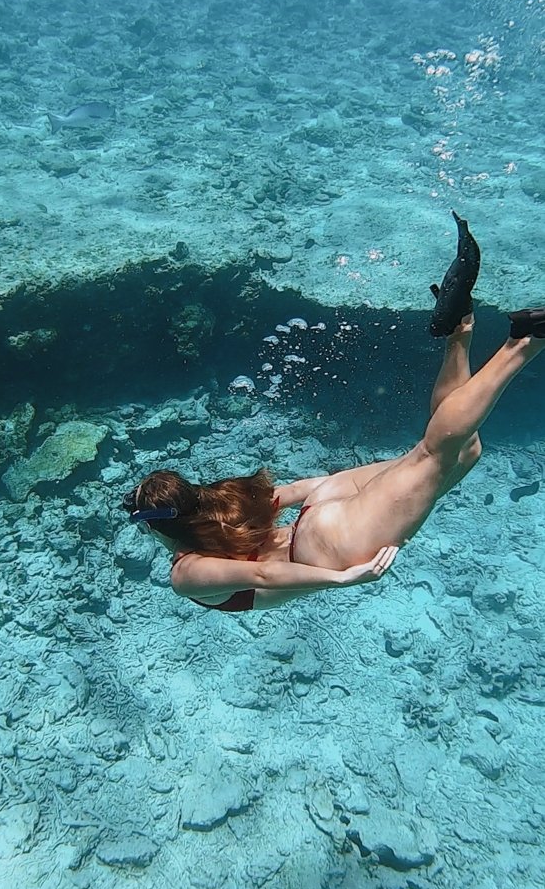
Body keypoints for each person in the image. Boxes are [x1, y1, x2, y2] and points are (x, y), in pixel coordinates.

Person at [121, 224, 544, 611]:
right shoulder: (216, 501)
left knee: (437, 454)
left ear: (157, 528)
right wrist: (329, 487)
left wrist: (343, 578)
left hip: (330, 545)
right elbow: (283, 495)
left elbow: (264, 573)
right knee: (460, 452)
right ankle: (459, 330)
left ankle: (525, 341)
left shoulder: (186, 574)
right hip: (320, 503)